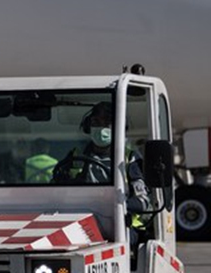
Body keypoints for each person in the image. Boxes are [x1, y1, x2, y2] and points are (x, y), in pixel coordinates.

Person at [52, 101, 151, 241]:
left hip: (123, 226)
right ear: (88, 126)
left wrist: (118, 206)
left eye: (107, 123)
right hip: (82, 223)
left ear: (118, 127)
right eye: (96, 122)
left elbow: (143, 200)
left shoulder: (130, 158)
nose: (101, 128)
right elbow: (57, 188)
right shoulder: (77, 155)